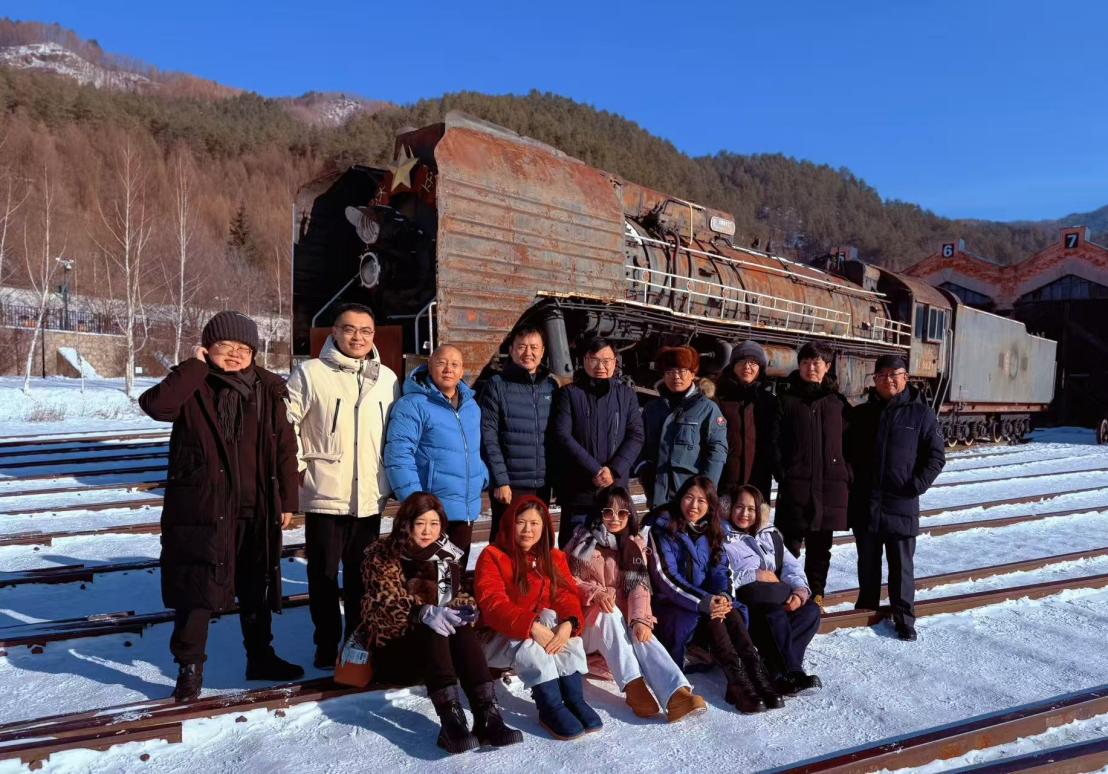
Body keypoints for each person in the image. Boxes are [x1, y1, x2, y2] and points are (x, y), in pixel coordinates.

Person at [139, 311, 303, 702]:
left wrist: (288, 499)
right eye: (224, 347)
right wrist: (194, 366)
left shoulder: (268, 388)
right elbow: (157, 406)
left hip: (257, 505)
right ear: (207, 348)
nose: (234, 355)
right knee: (198, 588)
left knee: (256, 584)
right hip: (205, 506)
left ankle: (260, 657)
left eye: (243, 349)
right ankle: (189, 669)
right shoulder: (194, 383)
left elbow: (285, 445)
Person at [360, 492, 523, 753]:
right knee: (432, 622)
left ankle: (488, 717)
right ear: (406, 524)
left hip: (437, 660)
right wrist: (420, 612)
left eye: (434, 524)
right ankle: (451, 722)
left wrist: (465, 609)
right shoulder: (382, 555)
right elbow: (382, 605)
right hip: (393, 652)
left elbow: (451, 599)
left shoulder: (445, 557)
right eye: (421, 523)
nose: (428, 531)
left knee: (454, 623)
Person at [286, 302, 400, 669]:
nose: (358, 337)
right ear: (334, 332)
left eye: (365, 331)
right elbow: (287, 426)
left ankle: (356, 640)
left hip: (368, 494)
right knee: (321, 573)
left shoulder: (388, 378)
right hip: (325, 491)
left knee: (360, 575)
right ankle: (325, 641)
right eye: (350, 329)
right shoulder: (310, 373)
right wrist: (300, 469)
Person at [565, 486, 707, 723]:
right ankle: (633, 686)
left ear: (630, 515)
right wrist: (594, 592)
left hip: (618, 632)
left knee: (641, 630)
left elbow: (639, 587)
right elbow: (565, 578)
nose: (614, 519)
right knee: (607, 612)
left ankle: (676, 694)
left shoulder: (634, 545)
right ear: (599, 513)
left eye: (622, 513)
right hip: (586, 628)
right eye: (608, 512)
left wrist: (641, 620)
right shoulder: (582, 541)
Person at [648, 476, 783, 714]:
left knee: (728, 610)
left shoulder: (712, 530)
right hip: (673, 605)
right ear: (680, 498)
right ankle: (738, 682)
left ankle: (754, 674)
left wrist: (721, 596)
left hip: (706, 603)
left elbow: (721, 571)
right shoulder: (662, 528)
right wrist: (705, 601)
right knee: (716, 612)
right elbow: (666, 578)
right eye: (689, 497)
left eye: (702, 500)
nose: (694, 505)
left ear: (710, 505)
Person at [474, 496, 603, 740]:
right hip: (495, 639)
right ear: (510, 524)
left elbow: (565, 596)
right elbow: (493, 604)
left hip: (537, 631)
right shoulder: (492, 555)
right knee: (532, 639)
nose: (527, 530)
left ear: (544, 527)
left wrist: (569, 623)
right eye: (521, 522)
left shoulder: (552, 557)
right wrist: (531, 627)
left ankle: (574, 698)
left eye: (534, 523)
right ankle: (550, 706)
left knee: (556, 619)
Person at [846, 354, 946, 641]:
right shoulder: (862, 414)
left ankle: (904, 618)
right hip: (866, 501)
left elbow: (936, 456)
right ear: (874, 379)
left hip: (901, 502)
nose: (888, 379)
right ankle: (866, 611)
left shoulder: (921, 414)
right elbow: (848, 452)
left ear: (905, 378)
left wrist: (916, 485)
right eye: (882, 375)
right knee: (867, 563)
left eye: (895, 374)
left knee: (901, 566)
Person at [385, 344, 488, 567]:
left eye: (454, 364)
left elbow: (473, 450)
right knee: (425, 581)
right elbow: (398, 455)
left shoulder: (471, 407)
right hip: (430, 513)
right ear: (429, 366)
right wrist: (416, 503)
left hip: (465, 509)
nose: (448, 369)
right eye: (441, 363)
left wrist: (482, 476)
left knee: (453, 578)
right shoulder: (412, 404)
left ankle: (447, 602)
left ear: (462, 371)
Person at [722, 484, 822, 694]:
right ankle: (794, 672)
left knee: (811, 611)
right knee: (774, 614)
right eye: (740, 507)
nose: (745, 513)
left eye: (751, 509)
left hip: (778, 596)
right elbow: (722, 574)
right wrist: (756, 575)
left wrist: (799, 591)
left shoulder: (770, 534)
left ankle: (776, 671)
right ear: (730, 507)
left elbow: (791, 566)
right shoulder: (722, 537)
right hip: (749, 603)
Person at [774, 340, 851, 608]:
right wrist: (783, 473)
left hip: (829, 488)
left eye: (816, 362)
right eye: (805, 362)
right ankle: (788, 592)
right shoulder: (786, 401)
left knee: (820, 548)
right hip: (796, 486)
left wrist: (845, 474)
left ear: (827, 367)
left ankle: (816, 593)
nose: (810, 367)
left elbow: (851, 444)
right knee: (789, 546)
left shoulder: (838, 403)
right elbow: (775, 442)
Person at [549, 337, 644, 548]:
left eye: (607, 360)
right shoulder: (569, 394)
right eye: (595, 359)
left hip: (614, 490)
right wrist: (595, 469)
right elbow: (562, 435)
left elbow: (636, 435)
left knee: (614, 551)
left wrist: (614, 470)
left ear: (615, 362)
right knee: (574, 549)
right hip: (578, 488)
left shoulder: (626, 395)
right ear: (584, 360)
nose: (601, 366)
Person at [479, 325, 558, 542]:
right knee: (506, 540)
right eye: (522, 347)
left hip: (541, 483)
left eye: (534, 347)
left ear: (542, 352)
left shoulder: (550, 386)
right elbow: (489, 436)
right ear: (511, 350)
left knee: (539, 541)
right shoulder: (498, 385)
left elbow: (556, 436)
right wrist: (500, 480)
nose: (528, 353)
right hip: (511, 484)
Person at [638, 346, 728, 510]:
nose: (676, 377)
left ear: (693, 374)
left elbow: (717, 451)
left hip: (692, 498)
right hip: (658, 496)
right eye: (670, 372)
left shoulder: (708, 409)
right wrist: (644, 473)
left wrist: (705, 490)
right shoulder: (652, 408)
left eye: (682, 371)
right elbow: (642, 446)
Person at [715, 341, 779, 502]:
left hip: (757, 482)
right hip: (724, 481)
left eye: (753, 362)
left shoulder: (769, 402)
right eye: (742, 361)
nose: (747, 367)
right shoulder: (718, 400)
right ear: (733, 365)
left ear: (760, 368)